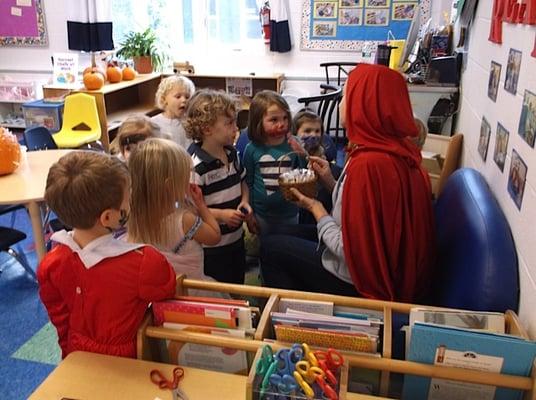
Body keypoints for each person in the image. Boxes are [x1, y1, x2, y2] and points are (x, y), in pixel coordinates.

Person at [260, 64, 435, 302]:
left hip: (356, 281)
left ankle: (291, 321)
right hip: (370, 267)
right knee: (276, 231)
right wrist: (331, 181)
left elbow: (348, 252)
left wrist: (316, 209)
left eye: (345, 97)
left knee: (271, 250)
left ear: (364, 104)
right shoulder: (390, 150)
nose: (341, 104)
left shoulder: (370, 164)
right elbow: (362, 213)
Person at [37, 151, 176, 359]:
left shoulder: (50, 263)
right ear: (108, 217)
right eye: (127, 199)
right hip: (129, 358)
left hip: (76, 353)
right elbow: (167, 290)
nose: (130, 204)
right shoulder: (144, 261)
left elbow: (59, 315)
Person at [127, 138, 221, 283]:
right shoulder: (184, 220)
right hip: (192, 294)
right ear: (170, 185)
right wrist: (201, 205)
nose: (189, 181)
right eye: (185, 176)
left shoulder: (133, 218)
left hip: (160, 296)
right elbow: (215, 236)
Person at [184, 89, 254, 284]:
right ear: (207, 129)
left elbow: (243, 182)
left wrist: (245, 201)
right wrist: (222, 215)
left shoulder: (232, 153)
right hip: (212, 248)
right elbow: (189, 210)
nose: (236, 128)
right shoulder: (195, 166)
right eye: (229, 123)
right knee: (218, 292)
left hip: (236, 239)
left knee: (237, 283)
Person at [243, 90, 305, 234]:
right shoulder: (252, 149)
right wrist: (250, 213)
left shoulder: (293, 143)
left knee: (289, 248)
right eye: (274, 120)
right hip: (262, 214)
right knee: (266, 250)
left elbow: (303, 173)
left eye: (285, 118)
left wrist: (302, 154)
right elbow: (248, 183)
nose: (282, 124)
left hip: (290, 212)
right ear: (258, 122)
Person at [152, 75, 195, 150]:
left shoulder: (191, 121)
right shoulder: (154, 123)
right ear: (164, 99)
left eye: (187, 97)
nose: (184, 100)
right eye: (178, 96)